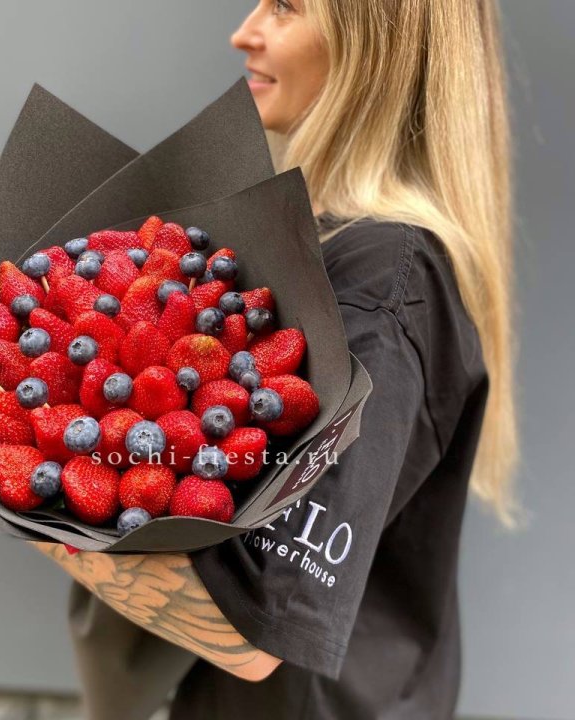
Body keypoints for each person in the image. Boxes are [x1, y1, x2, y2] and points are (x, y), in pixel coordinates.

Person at [31, 0, 524, 717]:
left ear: (375, 45)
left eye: (287, 6)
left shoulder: (385, 282)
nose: (245, 32)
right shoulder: (333, 252)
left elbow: (258, 631)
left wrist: (25, 489)